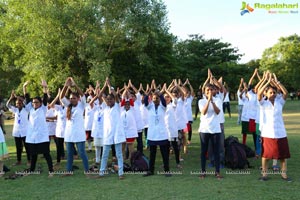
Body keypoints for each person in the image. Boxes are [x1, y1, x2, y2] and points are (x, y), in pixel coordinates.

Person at [257, 72, 291, 182]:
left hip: (280, 132)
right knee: (266, 156)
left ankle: (284, 175)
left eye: (274, 92)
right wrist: (266, 81)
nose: (273, 94)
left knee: (282, 156)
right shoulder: (263, 103)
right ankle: (264, 175)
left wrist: (277, 82)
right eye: (270, 92)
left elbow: (285, 93)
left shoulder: (279, 102)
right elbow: (258, 93)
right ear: (266, 94)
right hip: (267, 133)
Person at [95, 78, 126, 180]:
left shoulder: (117, 106)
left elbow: (116, 96)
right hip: (107, 134)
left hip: (117, 134)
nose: (109, 100)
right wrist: (104, 86)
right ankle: (101, 172)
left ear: (114, 100)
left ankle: (120, 173)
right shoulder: (105, 108)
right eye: (107, 99)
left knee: (119, 154)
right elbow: (98, 96)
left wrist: (109, 86)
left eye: (110, 99)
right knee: (104, 155)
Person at [23, 80, 54, 176]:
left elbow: (45, 97)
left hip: (42, 136)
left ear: (40, 103)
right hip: (32, 136)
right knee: (33, 155)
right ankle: (32, 170)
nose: (34, 103)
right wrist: (24, 87)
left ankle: (51, 171)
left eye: (36, 102)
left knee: (46, 154)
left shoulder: (43, 108)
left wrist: (45, 87)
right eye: (33, 102)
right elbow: (26, 97)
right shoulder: (30, 109)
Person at [60, 77, 89, 175]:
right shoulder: (68, 105)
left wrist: (75, 85)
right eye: (71, 98)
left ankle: (87, 170)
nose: (72, 99)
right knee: (69, 154)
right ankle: (68, 171)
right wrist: (66, 85)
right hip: (69, 134)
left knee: (81, 152)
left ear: (78, 99)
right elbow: (61, 96)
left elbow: (83, 95)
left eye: (74, 98)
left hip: (79, 134)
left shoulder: (81, 105)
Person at [143, 83, 171, 177]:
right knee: (152, 154)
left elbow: (163, 100)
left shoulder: (163, 107)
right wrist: (150, 90)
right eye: (154, 98)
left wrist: (159, 93)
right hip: (152, 134)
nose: (156, 100)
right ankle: (151, 170)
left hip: (162, 134)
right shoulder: (149, 107)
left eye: (157, 98)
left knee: (164, 154)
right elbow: (145, 100)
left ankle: (167, 171)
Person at [198, 83, 223, 180]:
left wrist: (212, 102)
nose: (209, 92)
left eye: (211, 90)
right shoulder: (201, 101)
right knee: (204, 151)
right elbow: (203, 112)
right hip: (204, 129)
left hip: (215, 129)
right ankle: (203, 172)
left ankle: (217, 172)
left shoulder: (218, 100)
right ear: (204, 91)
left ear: (214, 91)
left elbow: (217, 112)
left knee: (216, 151)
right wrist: (208, 101)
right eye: (207, 90)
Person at [6, 90, 30, 166]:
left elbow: (26, 103)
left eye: (19, 103)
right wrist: (11, 97)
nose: (18, 104)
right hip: (16, 132)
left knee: (27, 147)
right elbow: (7, 105)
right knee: (18, 147)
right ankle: (18, 161)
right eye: (17, 103)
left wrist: (18, 97)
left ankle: (29, 160)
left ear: (22, 104)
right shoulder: (15, 110)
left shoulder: (26, 109)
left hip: (25, 131)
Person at [163, 84, 181, 169]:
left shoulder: (172, 106)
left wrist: (166, 91)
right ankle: (165, 163)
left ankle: (178, 163)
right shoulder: (161, 107)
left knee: (175, 148)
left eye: (167, 97)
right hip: (165, 131)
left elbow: (174, 99)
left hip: (172, 131)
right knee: (165, 149)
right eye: (165, 97)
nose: (166, 98)